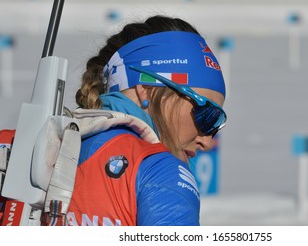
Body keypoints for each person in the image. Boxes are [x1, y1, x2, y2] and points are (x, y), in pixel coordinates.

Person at [66, 15, 227, 226]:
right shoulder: (162, 173)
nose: (207, 142)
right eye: (207, 115)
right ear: (148, 90)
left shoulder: (42, 146)